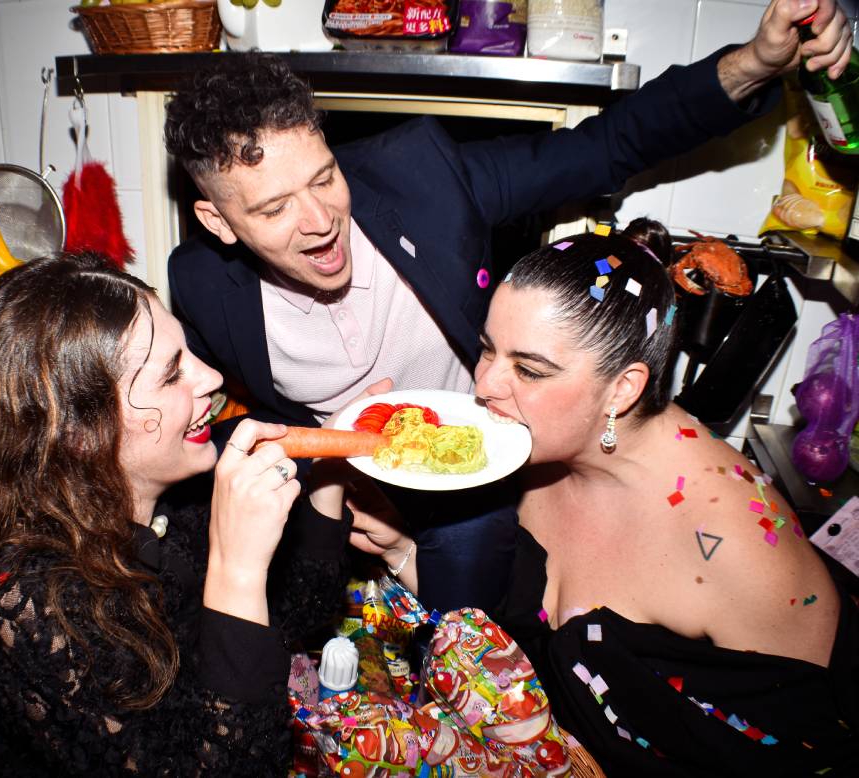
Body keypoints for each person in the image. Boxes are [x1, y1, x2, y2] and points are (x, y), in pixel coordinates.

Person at [164, 0, 853, 615]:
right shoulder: (198, 284)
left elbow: (602, 147)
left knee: (470, 648)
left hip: (469, 480)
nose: (319, 221)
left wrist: (754, 64)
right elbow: (209, 416)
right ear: (218, 222)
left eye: (323, 178)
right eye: (275, 207)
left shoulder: (420, 179)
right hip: (336, 482)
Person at [349, 218, 859, 775]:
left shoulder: (737, 549)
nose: (485, 386)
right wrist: (404, 551)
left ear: (623, 388)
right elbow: (511, 642)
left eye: (529, 369)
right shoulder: (523, 451)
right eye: (488, 350)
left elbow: (801, 749)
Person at [0, 253, 361, 776]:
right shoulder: (24, 604)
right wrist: (236, 571)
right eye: (171, 375)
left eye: (187, 352)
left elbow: (299, 615)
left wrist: (331, 469)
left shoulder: (180, 490)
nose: (211, 376)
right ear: (79, 434)